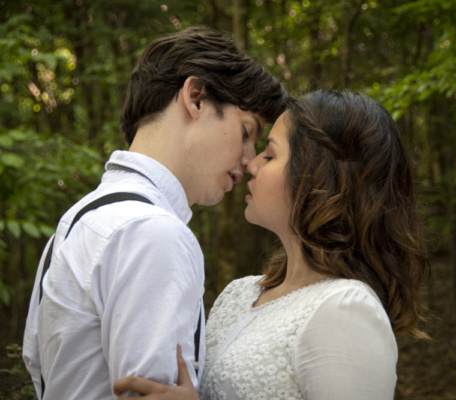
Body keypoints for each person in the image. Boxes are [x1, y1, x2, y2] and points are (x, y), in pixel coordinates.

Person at [22, 26, 286, 400]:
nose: (248, 158)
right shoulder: (154, 233)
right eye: (246, 132)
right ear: (195, 97)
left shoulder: (81, 219)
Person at [113, 89, 430, 400]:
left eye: (270, 154)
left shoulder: (347, 309)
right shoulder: (237, 294)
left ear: (317, 176)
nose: (251, 164)